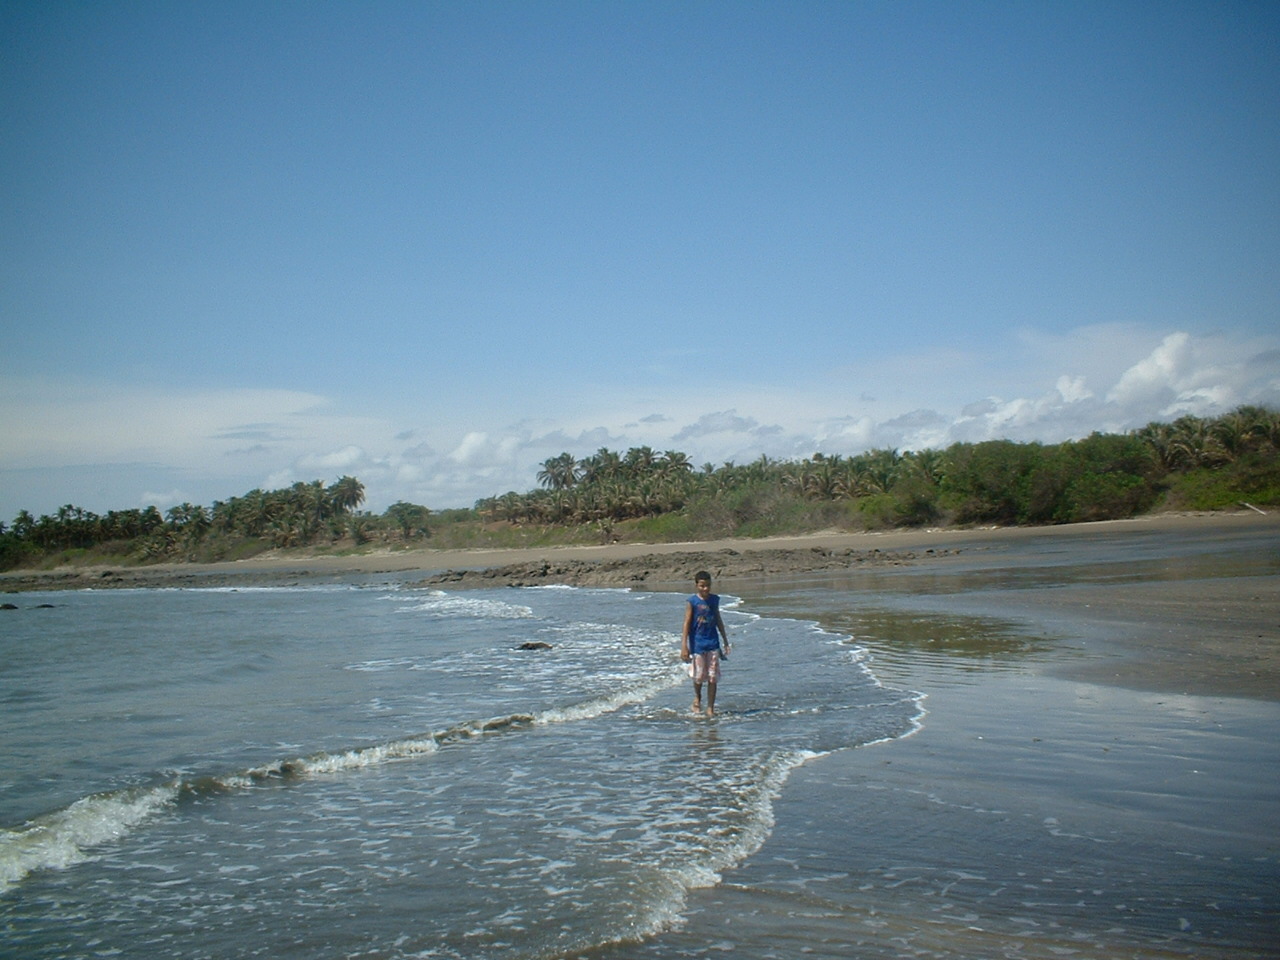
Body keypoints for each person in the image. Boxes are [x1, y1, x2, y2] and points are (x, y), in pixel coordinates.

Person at [680, 570, 730, 717]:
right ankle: (698, 697)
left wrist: (725, 641)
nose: (705, 589)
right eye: (702, 586)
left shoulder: (714, 600)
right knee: (698, 675)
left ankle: (710, 707)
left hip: (713, 643)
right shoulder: (692, 602)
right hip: (697, 645)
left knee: (713, 676)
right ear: (696, 585)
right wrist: (684, 646)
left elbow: (718, 620)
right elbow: (686, 624)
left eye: (708, 585)